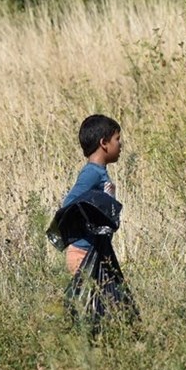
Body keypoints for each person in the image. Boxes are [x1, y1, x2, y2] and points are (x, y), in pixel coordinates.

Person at [61, 114, 123, 275]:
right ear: (104, 143)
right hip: (83, 255)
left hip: (95, 254)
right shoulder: (92, 173)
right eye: (117, 139)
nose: (120, 144)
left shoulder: (99, 172)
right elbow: (69, 204)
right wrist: (100, 207)